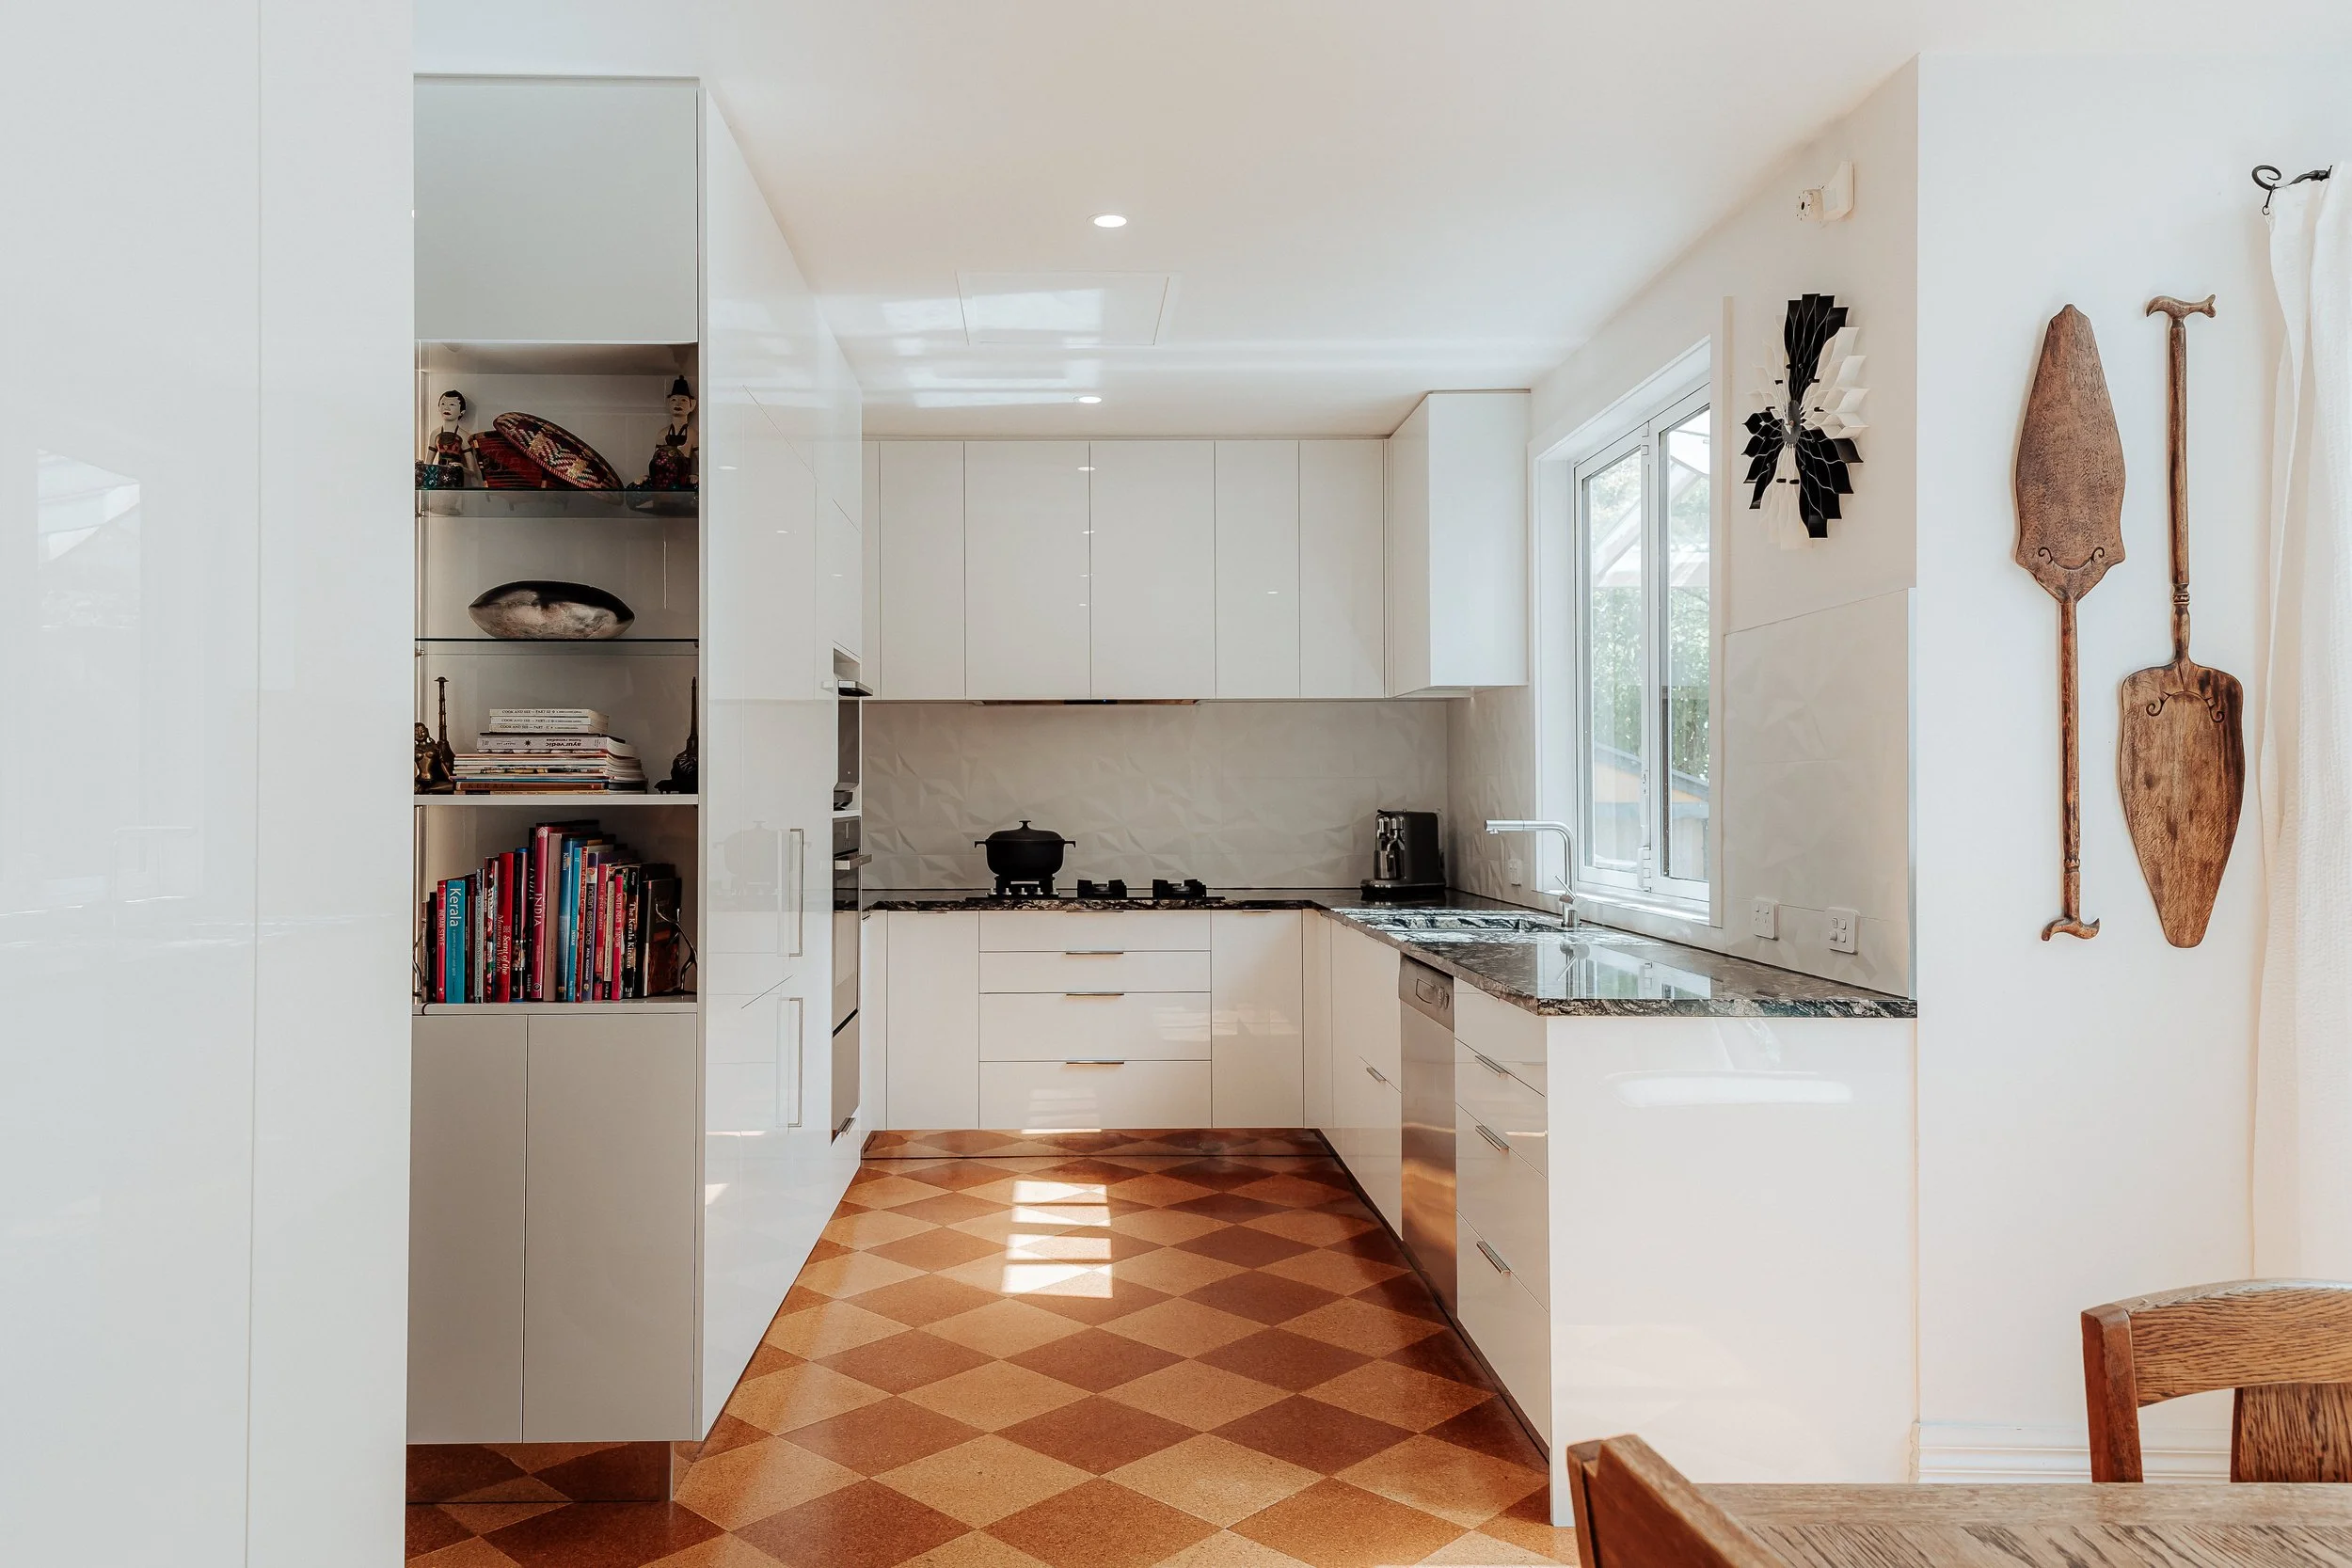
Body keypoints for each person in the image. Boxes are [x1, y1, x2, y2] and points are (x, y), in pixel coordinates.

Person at [644, 377, 697, 489]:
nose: (678, 403)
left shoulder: (692, 434)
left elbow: (702, 460)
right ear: (668, 402)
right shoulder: (662, 433)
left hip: (682, 481)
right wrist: (648, 476)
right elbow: (655, 460)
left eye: (683, 400)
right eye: (674, 400)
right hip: (661, 480)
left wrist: (697, 476)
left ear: (692, 404)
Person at [418, 389, 470, 488]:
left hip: (456, 480)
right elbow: (428, 464)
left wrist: (461, 468)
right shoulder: (435, 434)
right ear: (439, 408)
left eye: (452, 404)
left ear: (461, 412)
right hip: (438, 479)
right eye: (443, 404)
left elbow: (473, 472)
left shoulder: (465, 436)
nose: (446, 408)